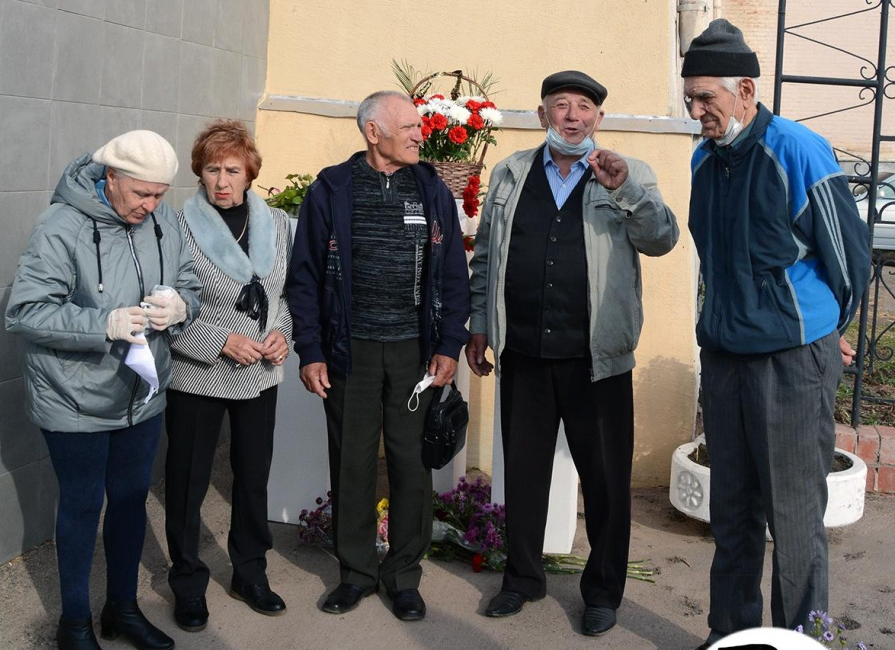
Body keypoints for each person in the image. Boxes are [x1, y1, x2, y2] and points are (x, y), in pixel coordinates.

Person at [466, 70, 679, 637]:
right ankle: (523, 579)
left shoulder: (626, 174)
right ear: (542, 116)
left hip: (598, 360)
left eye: (584, 107)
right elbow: (486, 254)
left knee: (606, 480)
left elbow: (663, 239)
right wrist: (480, 323)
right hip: (526, 355)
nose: (573, 115)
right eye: (561, 105)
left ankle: (603, 591)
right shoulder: (512, 173)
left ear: (598, 120)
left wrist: (626, 187)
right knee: (526, 473)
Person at [681, 19, 871, 648]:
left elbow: (850, 260)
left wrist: (822, 335)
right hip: (726, 360)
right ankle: (730, 637)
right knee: (731, 516)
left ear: (745, 89)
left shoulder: (797, 149)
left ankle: (804, 640)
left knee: (793, 522)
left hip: (790, 366)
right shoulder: (704, 159)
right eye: (690, 99)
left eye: (707, 97)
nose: (697, 110)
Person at [5, 130, 202, 650]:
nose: (152, 205)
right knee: (82, 504)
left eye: (160, 194)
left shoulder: (163, 220)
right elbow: (24, 312)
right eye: (141, 194)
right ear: (110, 177)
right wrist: (104, 323)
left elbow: (188, 282)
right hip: (74, 398)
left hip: (141, 391)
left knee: (132, 499)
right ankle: (74, 624)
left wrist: (180, 306)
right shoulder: (61, 225)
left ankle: (123, 609)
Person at [287, 90, 470, 621]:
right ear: (374, 132)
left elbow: (454, 275)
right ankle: (357, 573)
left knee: (412, 463)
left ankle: (404, 576)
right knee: (352, 459)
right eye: (410, 126)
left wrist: (448, 345)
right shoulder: (332, 189)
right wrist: (311, 350)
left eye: (420, 126)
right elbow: (305, 279)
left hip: (415, 354)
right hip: (351, 352)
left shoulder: (431, 188)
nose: (420, 134)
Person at [162, 120, 293, 632]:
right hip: (198, 375)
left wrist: (283, 334)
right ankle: (188, 583)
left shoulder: (278, 223)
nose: (222, 180)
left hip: (261, 370)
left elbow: (284, 296)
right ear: (200, 171)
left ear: (250, 173)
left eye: (232, 169)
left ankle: (249, 572)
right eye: (212, 168)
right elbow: (165, 307)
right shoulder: (176, 226)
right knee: (187, 482)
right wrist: (220, 341)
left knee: (253, 476)